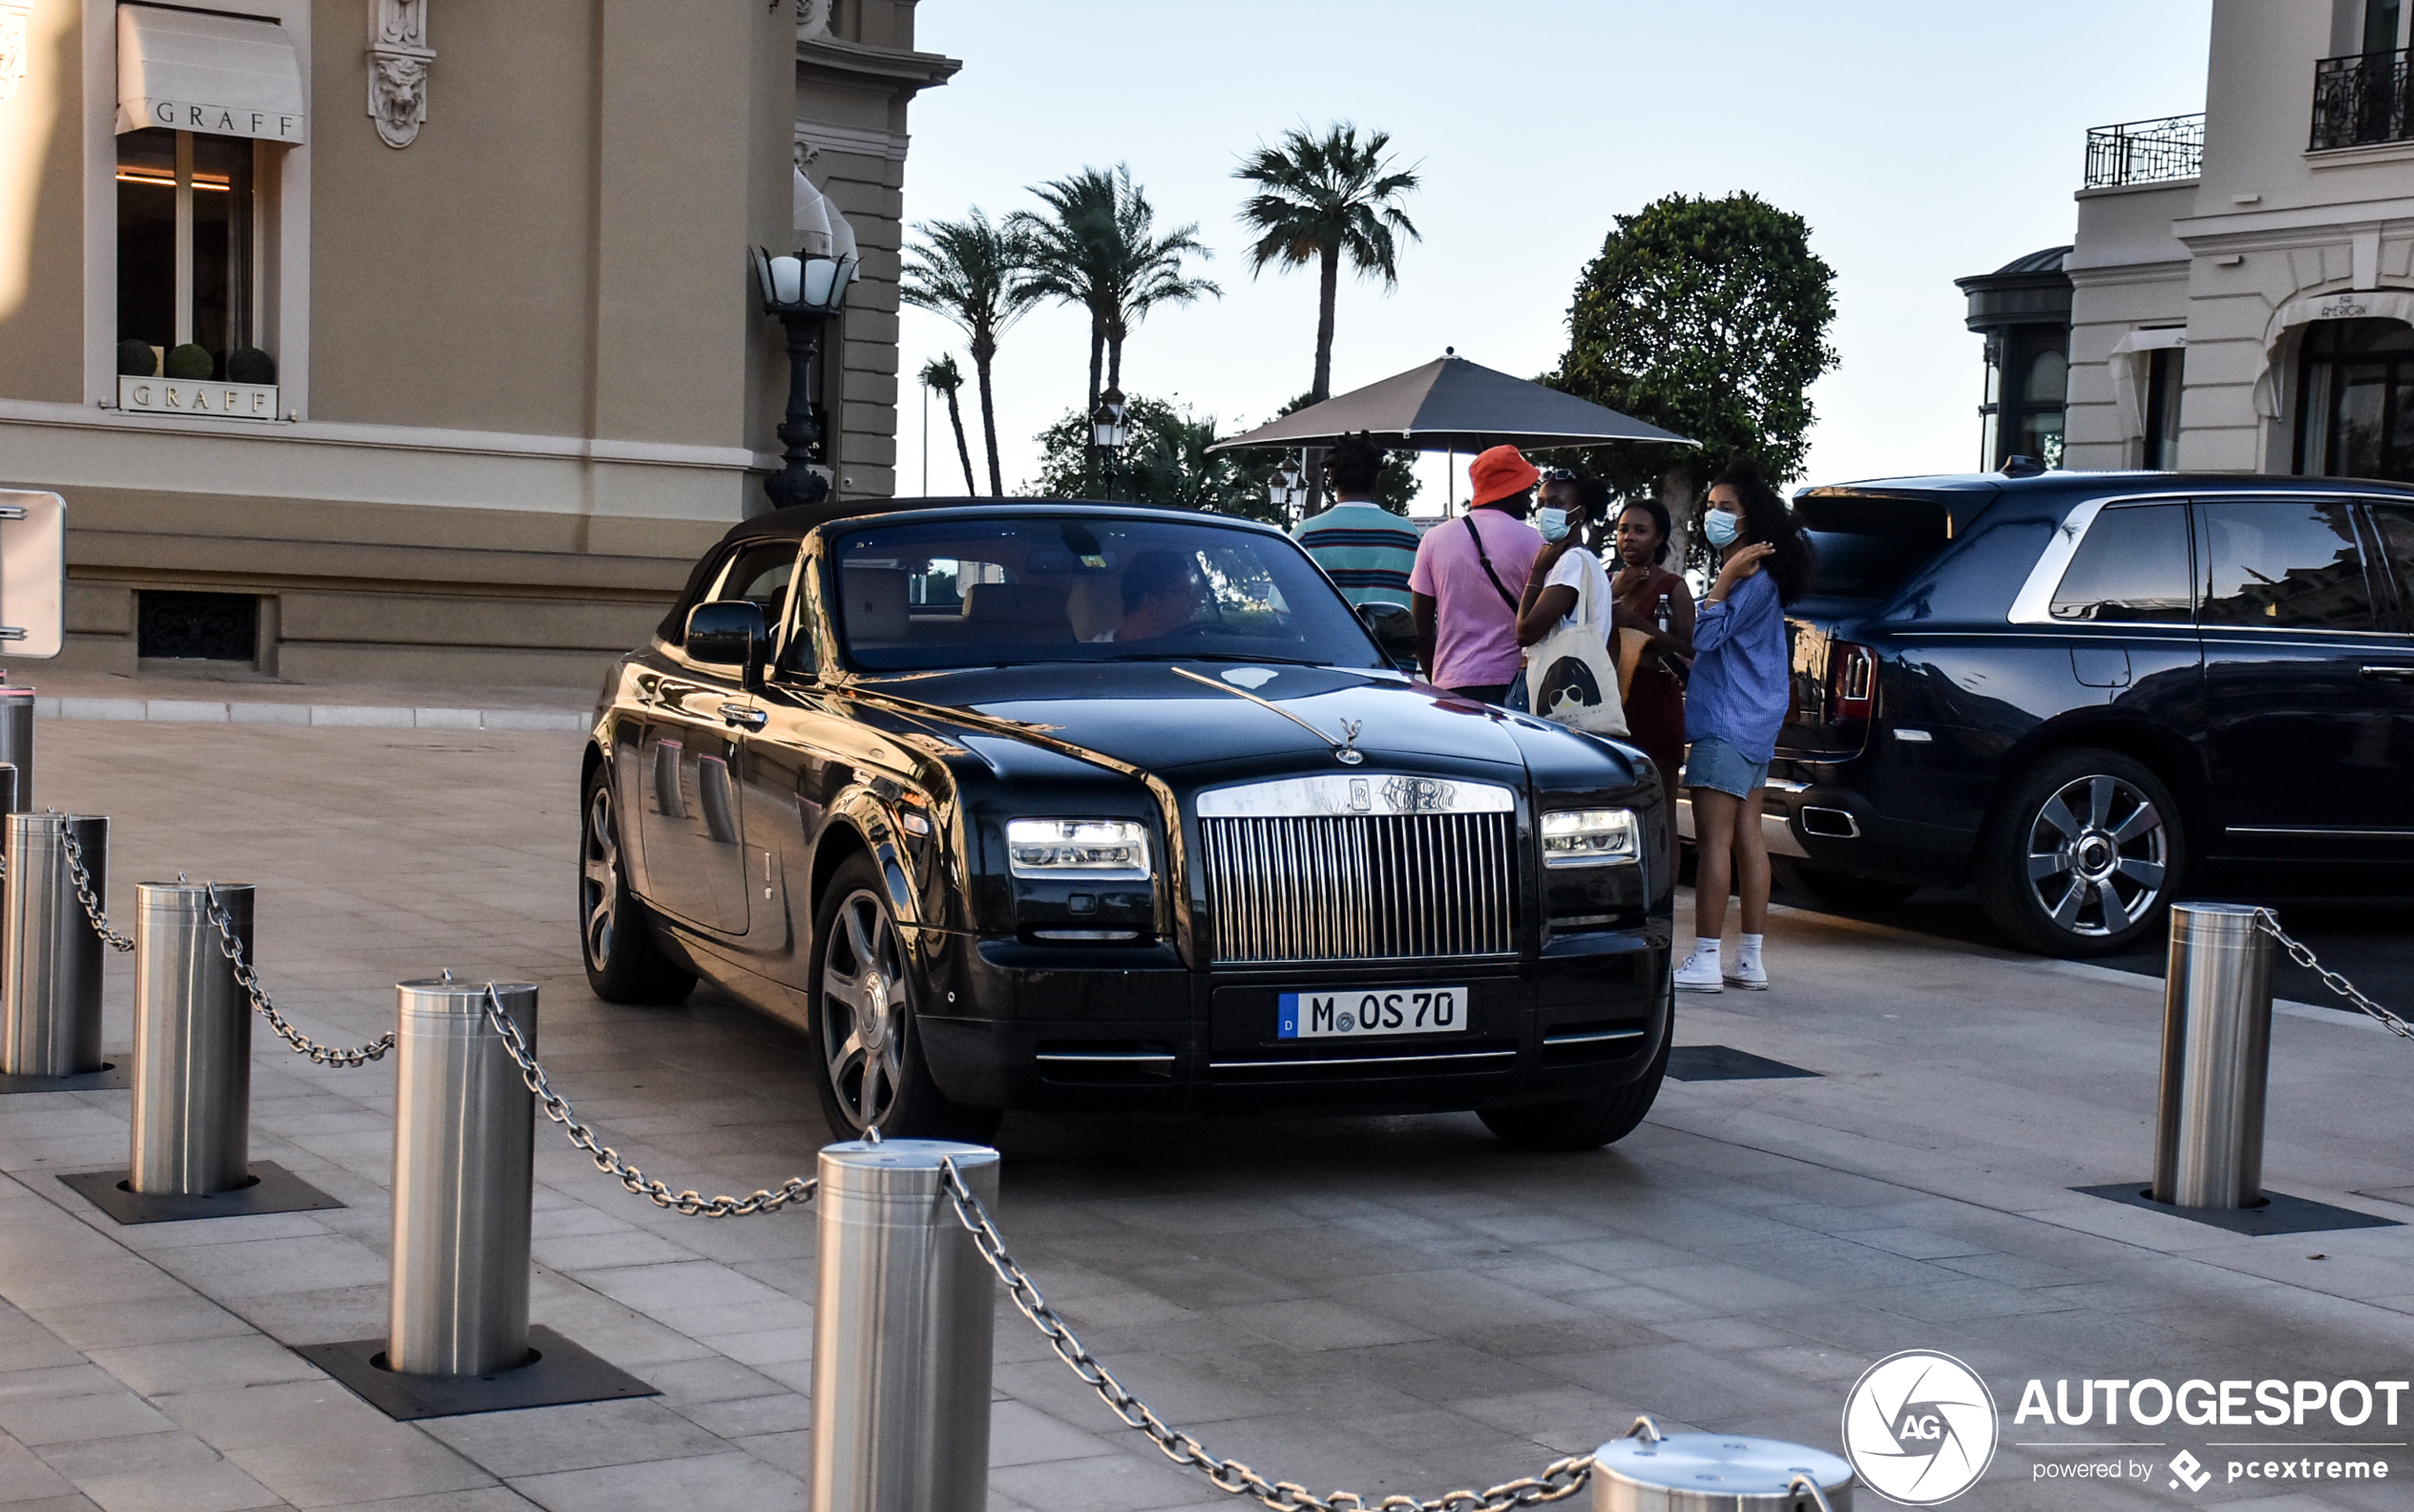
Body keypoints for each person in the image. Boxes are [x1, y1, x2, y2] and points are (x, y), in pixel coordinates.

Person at [1675, 461, 1813, 995]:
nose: (1712, 515)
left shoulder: (1748, 577)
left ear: (1750, 519)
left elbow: (1706, 640)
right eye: (1709, 506)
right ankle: (1748, 958)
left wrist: (1723, 581)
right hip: (1754, 725)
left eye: (1724, 508)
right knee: (1749, 839)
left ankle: (1707, 957)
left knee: (1714, 843)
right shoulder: (1768, 578)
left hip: (1725, 724)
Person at [1409, 446, 1543, 702]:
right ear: (1511, 489)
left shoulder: (1434, 540)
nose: (1530, 500)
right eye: (1526, 489)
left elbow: (1420, 631)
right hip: (1516, 685)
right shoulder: (1535, 543)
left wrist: (1439, 681)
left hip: (1451, 685)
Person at [1608, 494, 1696, 865]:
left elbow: (1689, 650)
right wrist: (1613, 594)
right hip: (1613, 710)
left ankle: (1667, 907)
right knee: (1615, 815)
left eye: (1640, 531)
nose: (1629, 538)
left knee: (1660, 816)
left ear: (1659, 539)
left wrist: (1637, 624)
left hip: (1656, 705)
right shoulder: (1609, 581)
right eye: (1623, 529)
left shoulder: (1673, 587)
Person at [1511, 470, 1613, 706]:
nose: (1545, 512)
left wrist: (1537, 571)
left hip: (1551, 687)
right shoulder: (1588, 561)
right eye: (1541, 504)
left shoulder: (1572, 562)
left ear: (1580, 513)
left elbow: (1525, 632)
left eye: (1557, 504)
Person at [1292, 432, 1421, 607]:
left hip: (1328, 634)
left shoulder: (1306, 535)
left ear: (1331, 474)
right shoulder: (1409, 537)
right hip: (1392, 635)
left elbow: (1283, 607)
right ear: (1376, 476)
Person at [1109, 548, 1199, 641]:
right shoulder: (1094, 653)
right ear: (1151, 602)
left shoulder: (1194, 650)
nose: (1196, 602)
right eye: (1185, 593)